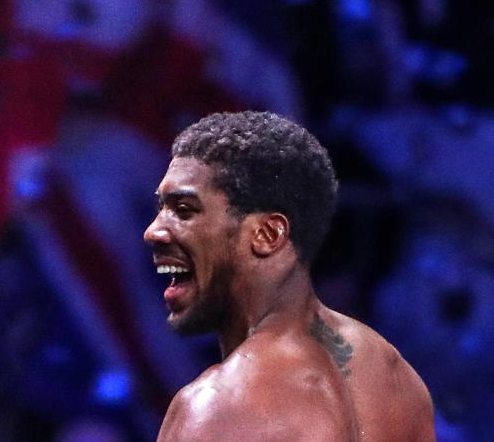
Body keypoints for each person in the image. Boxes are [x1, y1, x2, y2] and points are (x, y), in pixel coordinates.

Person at [144, 111, 434, 441]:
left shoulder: (213, 407)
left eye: (185, 211)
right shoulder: (391, 371)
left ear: (268, 234)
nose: (154, 232)